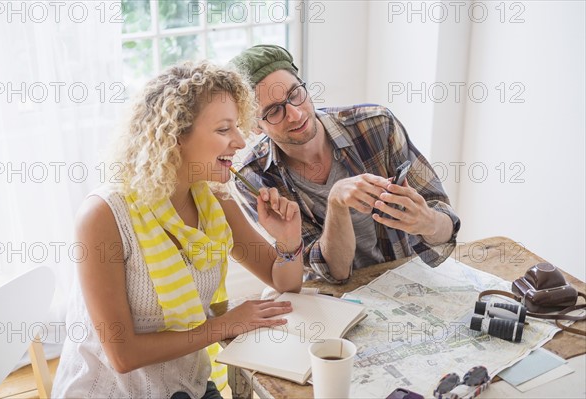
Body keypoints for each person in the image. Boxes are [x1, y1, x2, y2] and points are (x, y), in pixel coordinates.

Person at [52, 61, 304, 399]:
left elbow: (283, 280)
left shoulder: (214, 197)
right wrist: (224, 325)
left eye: (237, 127)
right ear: (175, 137)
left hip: (187, 385)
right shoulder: (104, 216)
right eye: (223, 129)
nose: (240, 141)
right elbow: (123, 355)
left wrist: (288, 240)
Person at [229, 45, 461, 284]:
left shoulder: (377, 125)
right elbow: (335, 273)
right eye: (274, 111)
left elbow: (448, 225)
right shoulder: (256, 178)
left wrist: (428, 222)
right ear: (255, 126)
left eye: (295, 94)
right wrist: (336, 202)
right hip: (337, 303)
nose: (295, 114)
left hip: (408, 282)